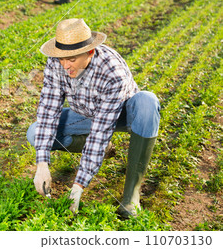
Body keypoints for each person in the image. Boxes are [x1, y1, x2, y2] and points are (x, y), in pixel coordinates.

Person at [27, 18, 160, 218]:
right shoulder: (57, 62)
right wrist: (42, 164)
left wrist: (78, 186)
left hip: (124, 114)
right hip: (86, 114)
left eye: (71, 59)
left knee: (147, 102)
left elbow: (101, 130)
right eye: (62, 58)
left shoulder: (111, 71)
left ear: (89, 52)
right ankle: (101, 150)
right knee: (35, 132)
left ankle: (131, 197)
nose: (65, 65)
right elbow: (48, 109)